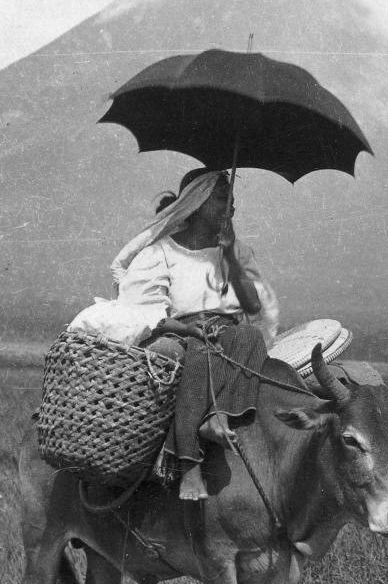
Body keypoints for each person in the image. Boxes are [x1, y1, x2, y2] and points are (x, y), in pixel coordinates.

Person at [114, 167, 279, 500]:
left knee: (250, 338)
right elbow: (141, 310)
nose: (231, 208)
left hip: (229, 333)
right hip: (180, 332)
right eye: (222, 199)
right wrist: (187, 328)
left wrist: (230, 255)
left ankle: (218, 417)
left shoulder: (238, 251)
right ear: (198, 202)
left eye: (232, 200)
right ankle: (188, 463)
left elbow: (253, 306)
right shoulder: (161, 252)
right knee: (201, 349)